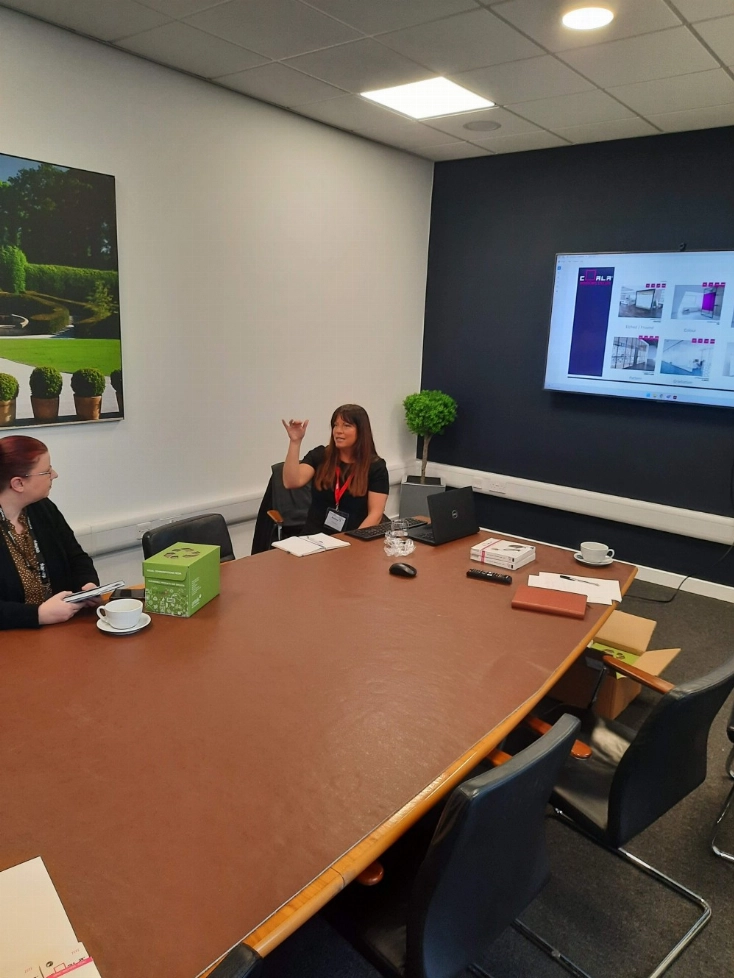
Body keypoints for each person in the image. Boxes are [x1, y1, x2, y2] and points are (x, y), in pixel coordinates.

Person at [0, 435, 100, 630]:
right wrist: (37, 615)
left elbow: (76, 557)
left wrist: (87, 586)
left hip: (61, 630)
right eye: (46, 471)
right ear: (18, 484)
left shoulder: (43, 508)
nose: (54, 474)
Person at [282, 404, 388, 535]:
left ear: (361, 431)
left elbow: (375, 514)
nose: (338, 430)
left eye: (346, 425)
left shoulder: (375, 467)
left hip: (353, 539)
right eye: (335, 425)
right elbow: (291, 482)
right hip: (314, 538)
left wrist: (353, 542)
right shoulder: (320, 456)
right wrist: (295, 442)